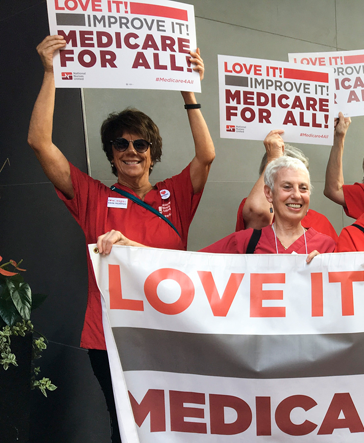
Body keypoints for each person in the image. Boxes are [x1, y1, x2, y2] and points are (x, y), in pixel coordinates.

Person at [29, 35, 213, 443]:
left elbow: (206, 156)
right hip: (108, 339)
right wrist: (49, 74)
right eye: (121, 144)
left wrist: (189, 91)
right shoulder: (93, 196)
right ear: (111, 153)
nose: (131, 150)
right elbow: (39, 143)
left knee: (173, 426)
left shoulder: (175, 195)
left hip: (168, 333)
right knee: (125, 428)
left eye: (140, 144)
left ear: (152, 151)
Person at [99, 157, 334, 260]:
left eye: (303, 188)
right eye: (287, 187)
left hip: (308, 355)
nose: (296, 195)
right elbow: (185, 264)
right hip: (260, 355)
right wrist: (129, 246)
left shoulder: (327, 247)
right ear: (269, 193)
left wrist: (327, 272)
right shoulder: (244, 242)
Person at [235, 129, 338, 240]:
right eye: (287, 186)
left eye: (302, 186)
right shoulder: (253, 203)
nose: (296, 195)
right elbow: (258, 213)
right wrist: (273, 158)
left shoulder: (319, 221)